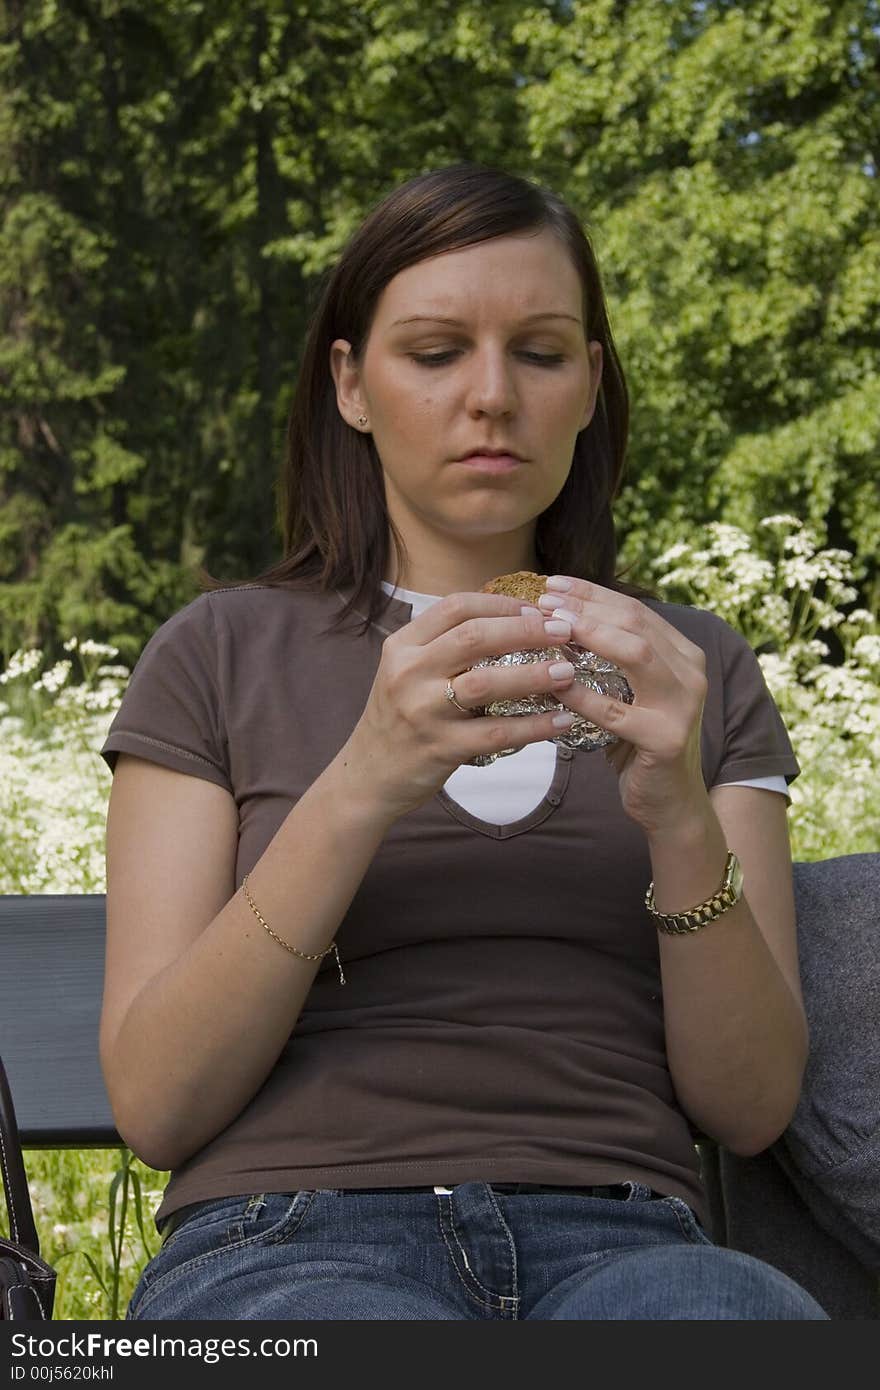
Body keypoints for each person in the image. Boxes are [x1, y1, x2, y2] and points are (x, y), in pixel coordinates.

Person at [99, 163, 827, 1320]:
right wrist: (364, 779)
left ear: (588, 384)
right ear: (350, 382)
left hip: (629, 1237)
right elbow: (155, 1104)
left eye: (539, 353)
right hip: (284, 1236)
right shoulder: (219, 651)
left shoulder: (685, 667)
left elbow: (746, 1105)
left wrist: (681, 814)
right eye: (435, 353)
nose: (490, 396)